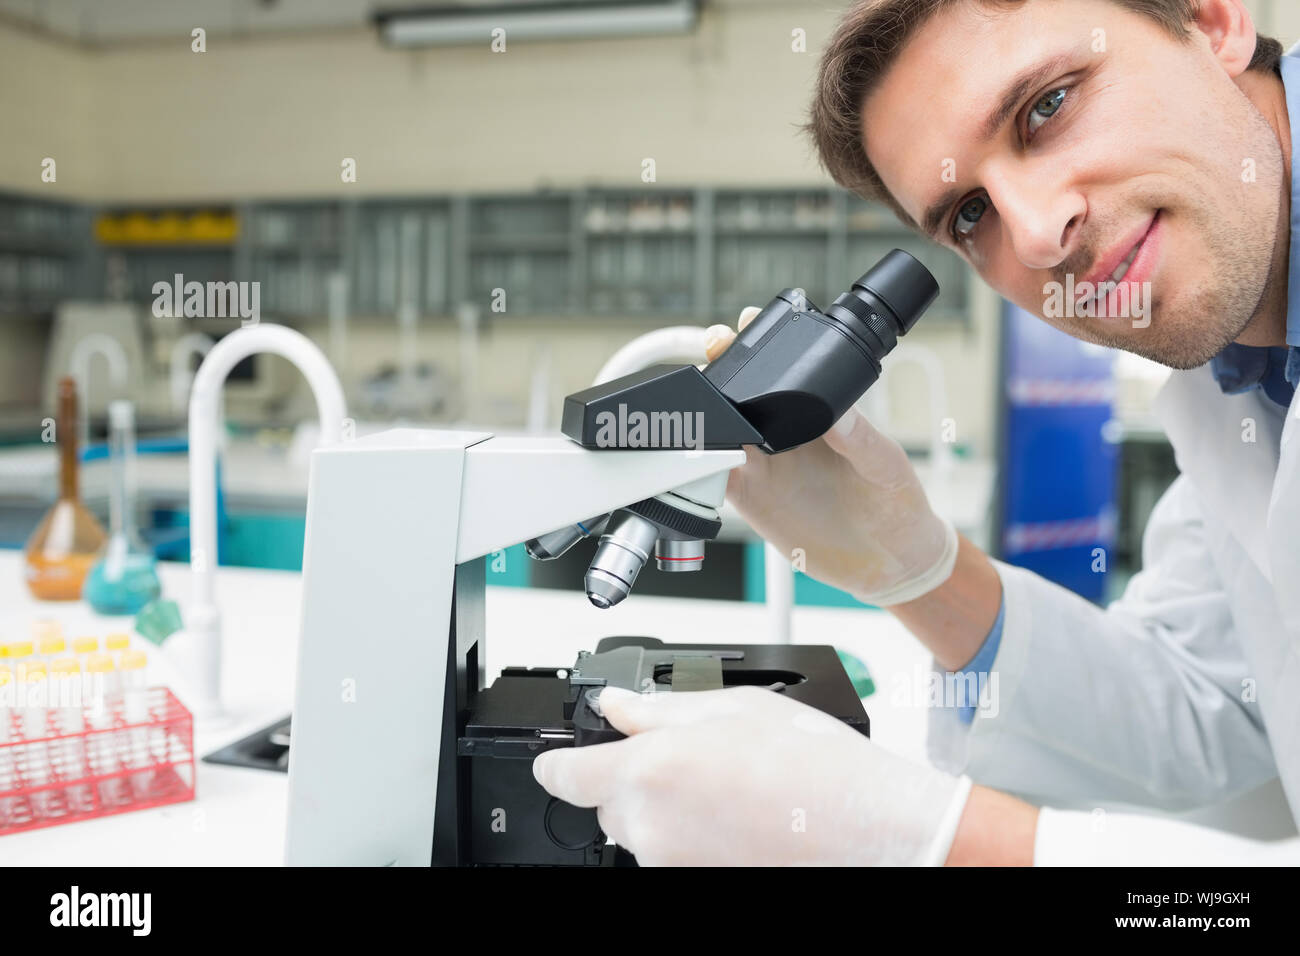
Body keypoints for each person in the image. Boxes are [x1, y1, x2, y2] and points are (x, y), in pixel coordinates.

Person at [533, 0, 1300, 865]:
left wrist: (929, 839)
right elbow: (1209, 703)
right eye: (970, 213)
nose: (1039, 236)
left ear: (1214, 19)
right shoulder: (1245, 381)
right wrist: (914, 565)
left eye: (1047, 105)